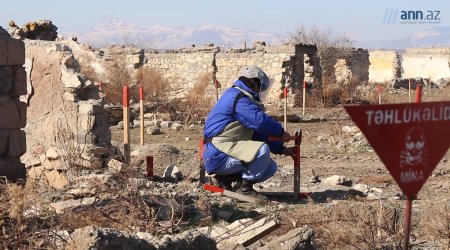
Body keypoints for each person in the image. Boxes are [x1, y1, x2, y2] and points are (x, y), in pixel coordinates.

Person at [202, 65, 295, 200]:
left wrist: (281, 149)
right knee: (262, 150)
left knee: (270, 166)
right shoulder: (238, 98)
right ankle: (244, 189)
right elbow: (261, 122)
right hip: (218, 152)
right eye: (261, 88)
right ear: (254, 84)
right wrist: (280, 132)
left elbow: (256, 134)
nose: (261, 92)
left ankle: (224, 180)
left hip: (223, 150)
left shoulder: (238, 96)